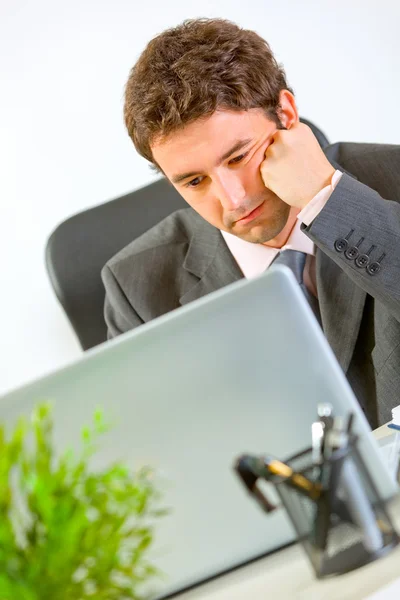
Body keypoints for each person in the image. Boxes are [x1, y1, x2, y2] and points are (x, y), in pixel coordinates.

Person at [101, 18, 400, 428]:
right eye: (194, 181)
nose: (233, 199)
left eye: (239, 157)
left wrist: (327, 201)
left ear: (287, 114)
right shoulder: (138, 289)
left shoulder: (395, 178)